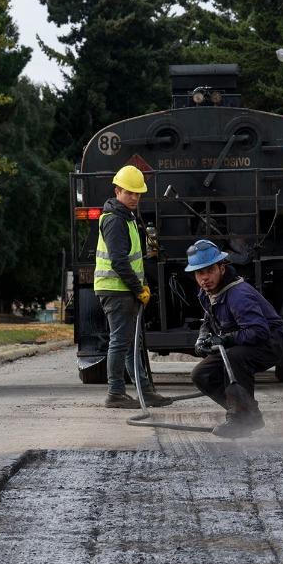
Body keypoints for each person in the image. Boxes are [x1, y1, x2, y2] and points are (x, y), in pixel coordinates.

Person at [187, 239, 283, 438]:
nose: (204, 278)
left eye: (209, 271)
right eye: (199, 273)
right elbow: (208, 318)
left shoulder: (238, 294)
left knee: (234, 357)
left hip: (269, 343)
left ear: (222, 268)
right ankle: (248, 413)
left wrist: (225, 339)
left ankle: (241, 417)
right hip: (240, 340)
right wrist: (203, 337)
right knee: (201, 374)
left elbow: (259, 331)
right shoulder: (207, 293)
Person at [95, 165, 168, 409]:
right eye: (130, 193)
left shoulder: (127, 217)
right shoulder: (115, 220)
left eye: (138, 193)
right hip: (116, 290)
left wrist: (142, 285)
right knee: (120, 341)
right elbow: (118, 261)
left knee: (129, 342)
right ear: (117, 191)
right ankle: (115, 392)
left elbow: (134, 259)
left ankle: (144, 390)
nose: (135, 197)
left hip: (123, 289)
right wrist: (138, 288)